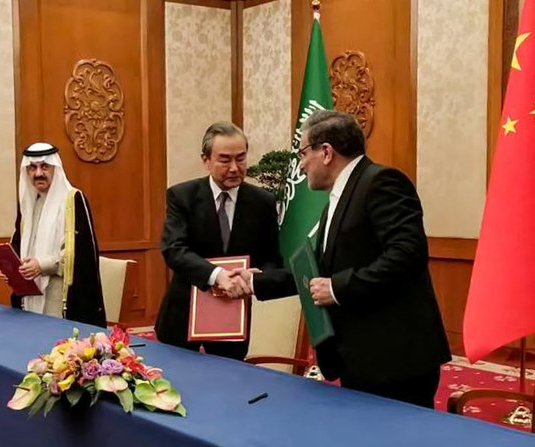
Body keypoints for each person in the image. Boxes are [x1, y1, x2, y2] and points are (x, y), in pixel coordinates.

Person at [247, 111, 450, 408]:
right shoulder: (340, 196)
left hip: (396, 360)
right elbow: (317, 273)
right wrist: (254, 282)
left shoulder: (382, 183)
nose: (300, 166)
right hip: (360, 356)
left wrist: (338, 288)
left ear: (326, 152)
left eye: (303, 153)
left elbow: (407, 254)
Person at [155, 122, 283, 360]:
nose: (235, 168)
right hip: (183, 315)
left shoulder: (262, 202)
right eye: (225, 160)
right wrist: (217, 276)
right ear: (206, 160)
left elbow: (273, 259)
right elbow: (174, 249)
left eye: (241, 159)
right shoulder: (182, 196)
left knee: (229, 385)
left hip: (233, 317)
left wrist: (257, 277)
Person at [1, 142, 106, 327]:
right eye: (32, 168)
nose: (38, 173)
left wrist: (43, 265)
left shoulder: (73, 200)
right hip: (29, 294)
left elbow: (83, 256)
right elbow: (19, 244)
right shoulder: (29, 202)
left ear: (55, 169)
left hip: (59, 297)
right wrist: (10, 268)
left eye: (44, 167)